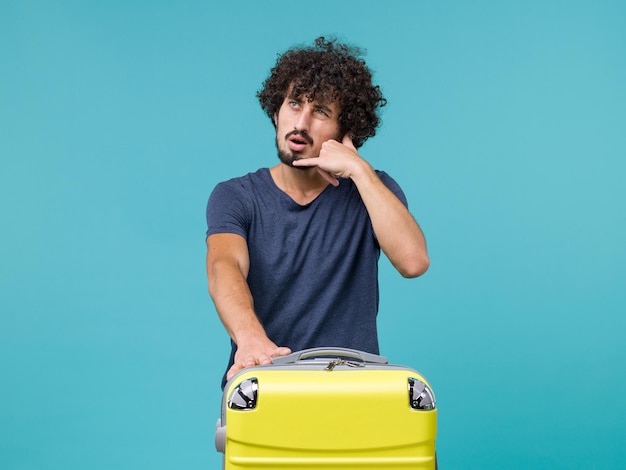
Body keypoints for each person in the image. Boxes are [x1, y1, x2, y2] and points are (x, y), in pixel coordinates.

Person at [206, 37, 429, 387]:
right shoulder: (236, 196)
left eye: (321, 111)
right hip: (267, 383)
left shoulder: (374, 190)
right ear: (276, 111)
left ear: (345, 130)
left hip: (352, 392)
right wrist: (249, 339)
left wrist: (360, 170)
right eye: (294, 105)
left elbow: (414, 262)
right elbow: (224, 267)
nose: (302, 122)